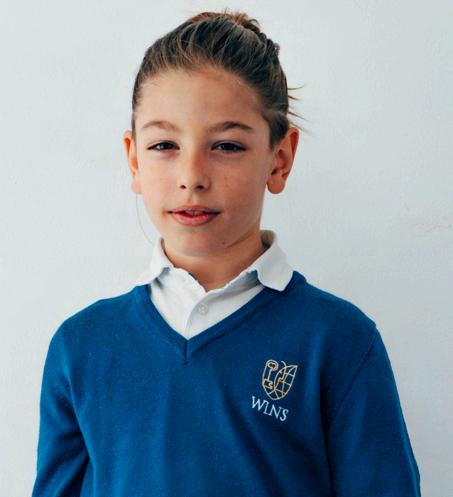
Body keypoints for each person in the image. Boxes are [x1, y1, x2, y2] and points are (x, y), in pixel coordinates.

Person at [31, 8, 421, 497]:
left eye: (227, 146)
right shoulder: (81, 346)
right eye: (164, 145)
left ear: (279, 160)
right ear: (133, 159)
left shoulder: (340, 342)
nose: (192, 176)